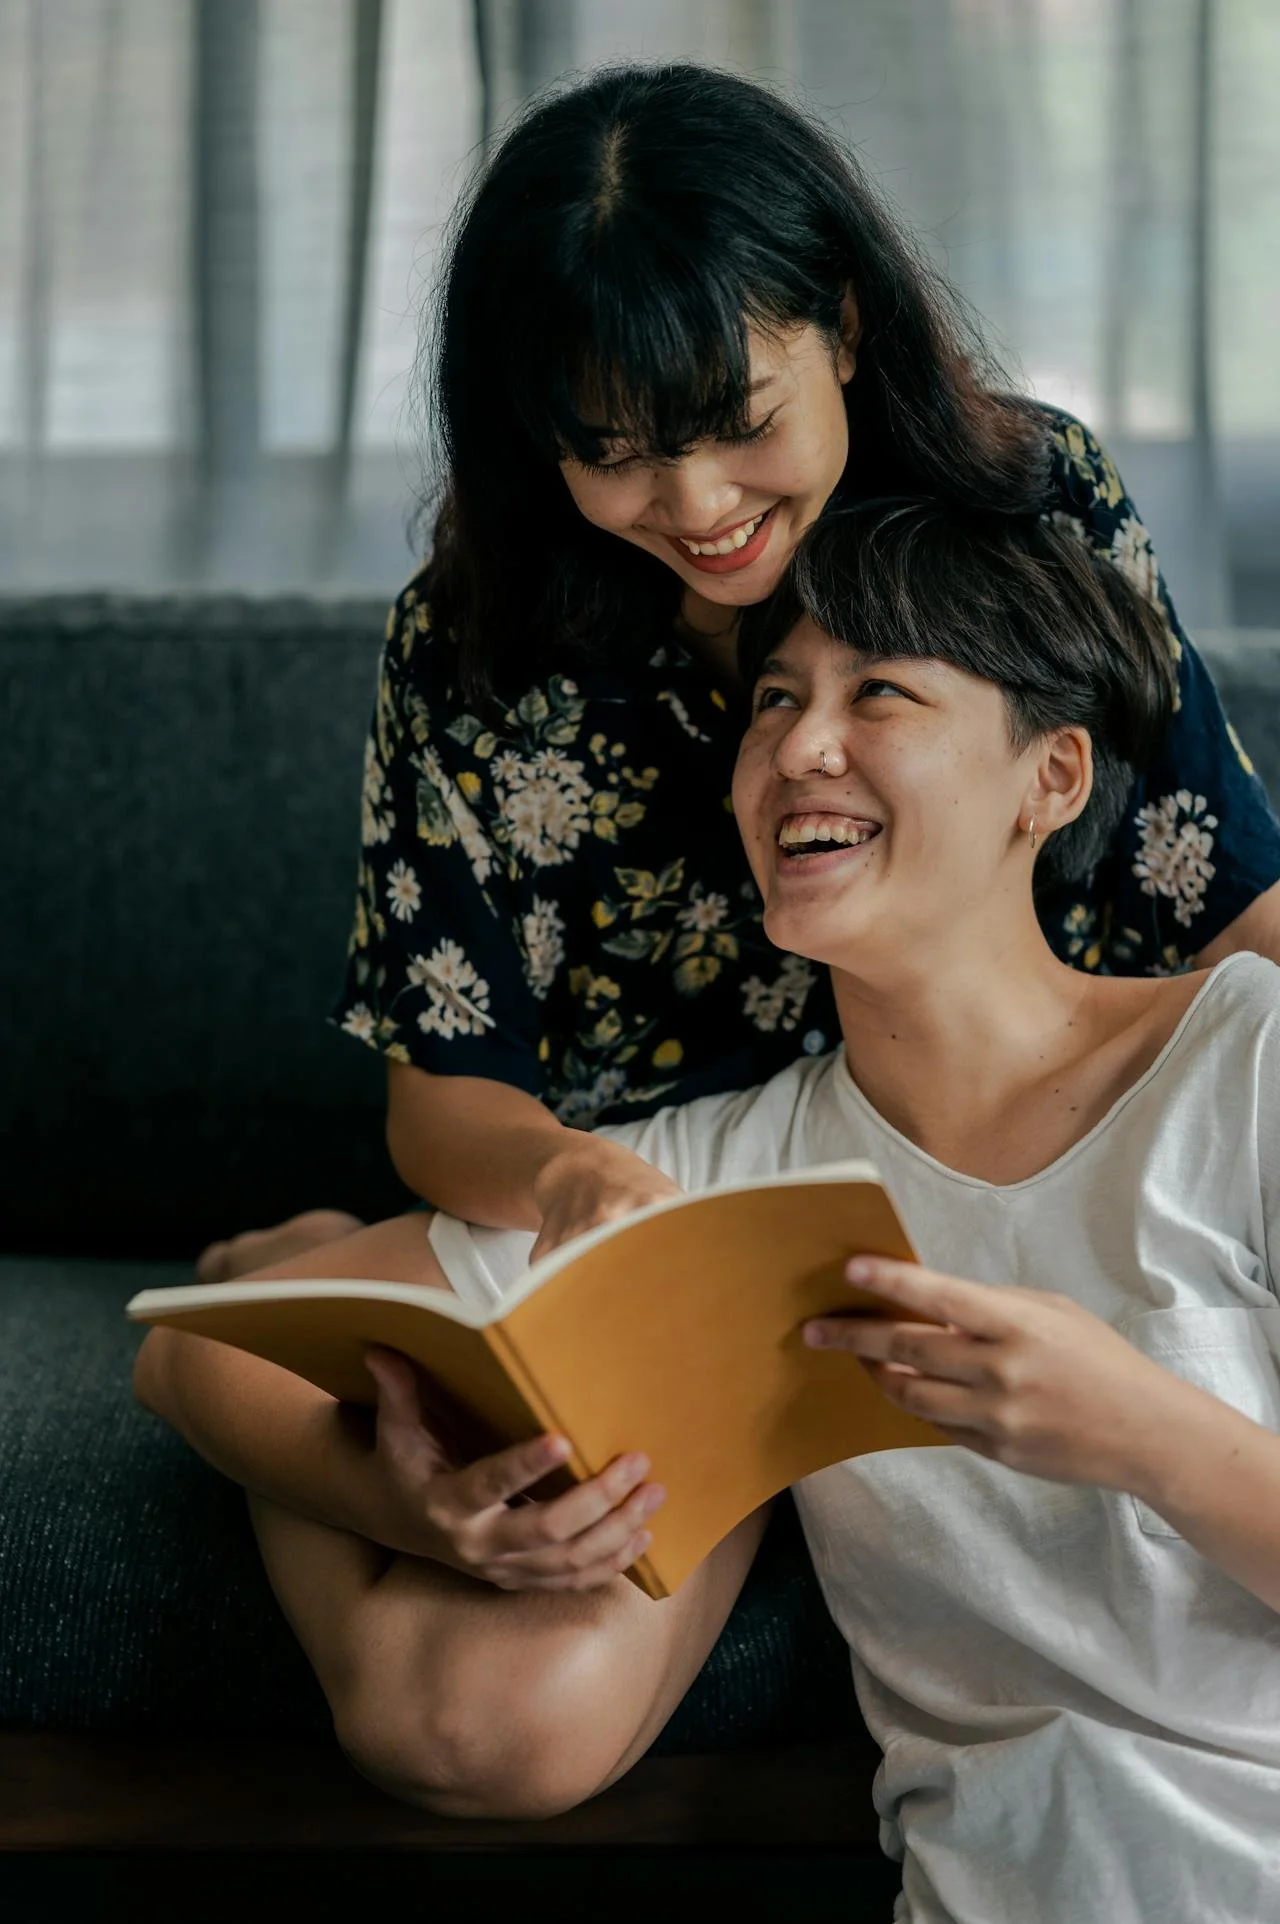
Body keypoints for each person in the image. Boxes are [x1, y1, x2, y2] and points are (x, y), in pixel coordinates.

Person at [137, 501, 1280, 1924]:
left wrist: (1140, 1429)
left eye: (881, 692)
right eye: (777, 702)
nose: (800, 746)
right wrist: (412, 1505)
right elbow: (188, 1350)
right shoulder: (729, 1183)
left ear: (1050, 778)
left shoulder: (1249, 1064)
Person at [196, 61, 1280, 1291]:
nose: (699, 508)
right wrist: (563, 1181)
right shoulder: (476, 650)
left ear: (847, 326)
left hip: (1021, 1161)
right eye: (613, 451)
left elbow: (1221, 892)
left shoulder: (1023, 509)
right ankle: (312, 1259)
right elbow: (453, 1090)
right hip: (661, 1212)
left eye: (744, 421)